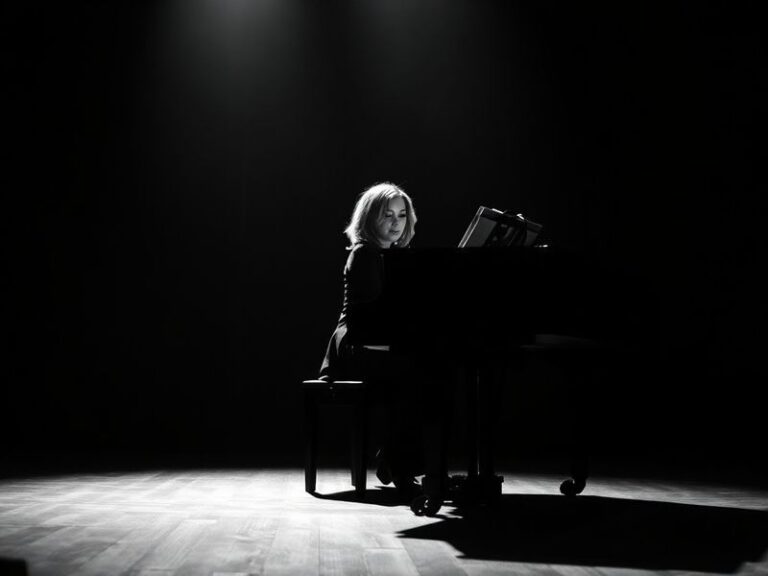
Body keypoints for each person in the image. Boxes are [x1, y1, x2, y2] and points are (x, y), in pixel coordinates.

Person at [319, 182, 423, 498]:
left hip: (375, 344)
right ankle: (400, 464)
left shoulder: (394, 257)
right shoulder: (365, 253)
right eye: (387, 215)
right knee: (415, 373)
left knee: (422, 371)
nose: (395, 222)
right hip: (355, 347)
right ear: (369, 218)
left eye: (401, 215)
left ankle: (396, 459)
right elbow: (370, 319)